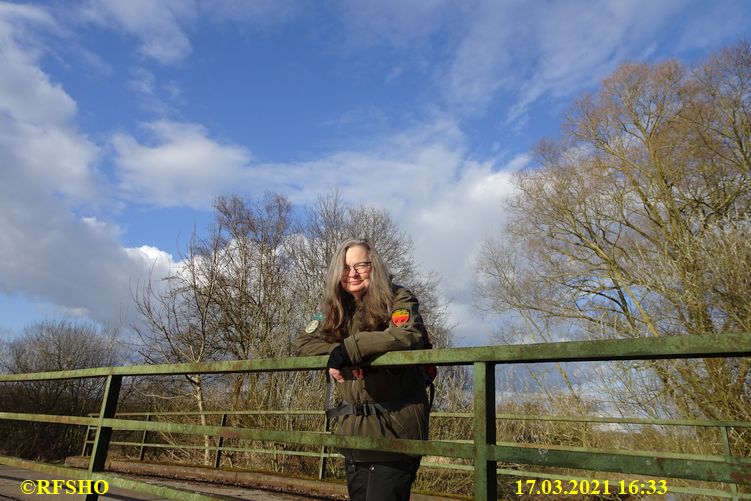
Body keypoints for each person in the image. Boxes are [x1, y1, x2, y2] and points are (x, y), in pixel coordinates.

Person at [295, 238, 429, 501]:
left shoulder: (399, 299)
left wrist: (352, 350)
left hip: (394, 433)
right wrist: (340, 356)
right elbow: (304, 342)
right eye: (345, 267)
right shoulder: (332, 309)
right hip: (353, 436)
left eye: (361, 266)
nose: (352, 274)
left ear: (375, 267)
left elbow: (406, 335)